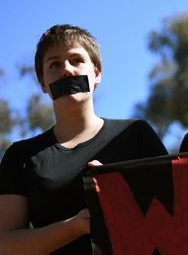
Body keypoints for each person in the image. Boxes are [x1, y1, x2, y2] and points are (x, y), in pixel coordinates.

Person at [0, 24, 168, 254]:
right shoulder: (20, 156)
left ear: (96, 73)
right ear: (42, 84)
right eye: (54, 64)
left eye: (76, 60)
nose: (67, 70)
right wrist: (74, 227)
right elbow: (5, 243)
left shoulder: (136, 134)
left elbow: (175, 214)